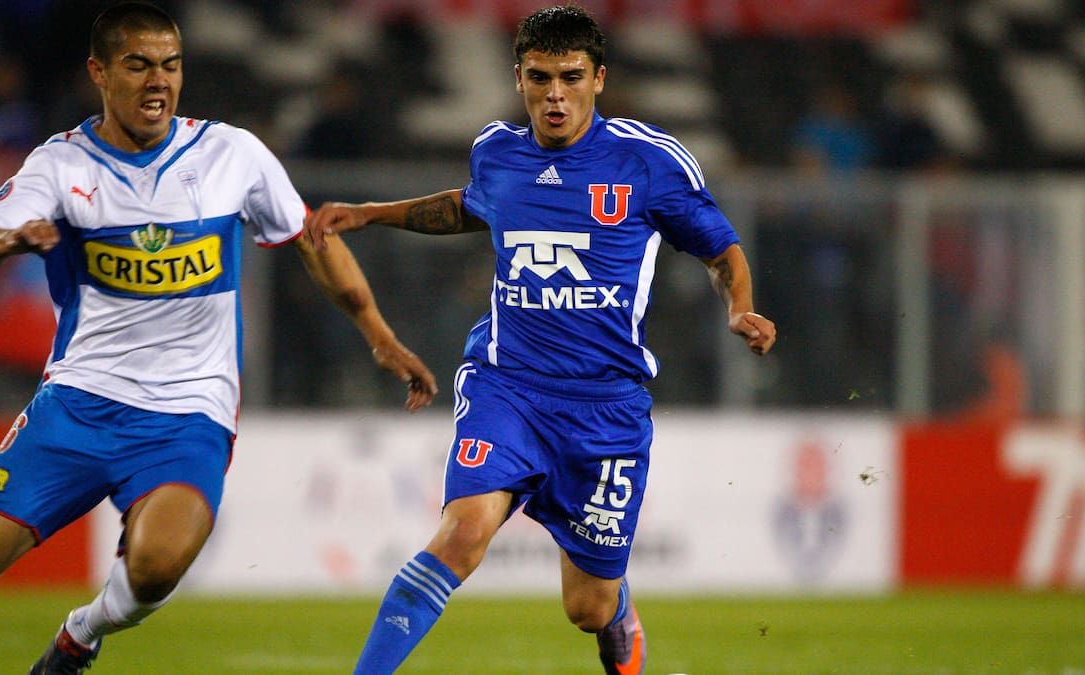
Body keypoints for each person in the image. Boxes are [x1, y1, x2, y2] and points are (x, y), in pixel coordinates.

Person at [0, 3, 437, 674]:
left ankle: (80, 634)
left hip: (188, 414)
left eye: (170, 65)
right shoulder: (61, 164)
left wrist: (379, 334)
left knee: (158, 565)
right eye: (137, 65)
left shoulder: (232, 154)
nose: (157, 81)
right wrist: (14, 236)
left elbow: (314, 241)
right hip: (78, 402)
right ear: (99, 73)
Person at [304, 5, 776, 673]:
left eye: (571, 77)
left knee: (587, 606)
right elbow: (469, 206)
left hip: (605, 406)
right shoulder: (497, 150)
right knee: (462, 536)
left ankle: (619, 608)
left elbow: (721, 250)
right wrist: (375, 213)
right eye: (540, 77)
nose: (555, 94)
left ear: (599, 79)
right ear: (518, 77)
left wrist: (741, 307)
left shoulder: (648, 161)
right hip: (507, 385)